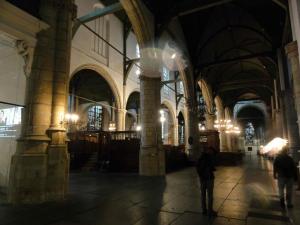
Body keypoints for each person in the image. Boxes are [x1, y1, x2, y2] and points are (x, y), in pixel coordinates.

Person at [196, 146, 217, 217]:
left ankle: (204, 210)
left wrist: (200, 176)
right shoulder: (210, 157)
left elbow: (197, 167)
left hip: (202, 179)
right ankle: (210, 211)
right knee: (210, 196)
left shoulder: (201, 157)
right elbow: (213, 166)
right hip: (209, 178)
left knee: (203, 195)